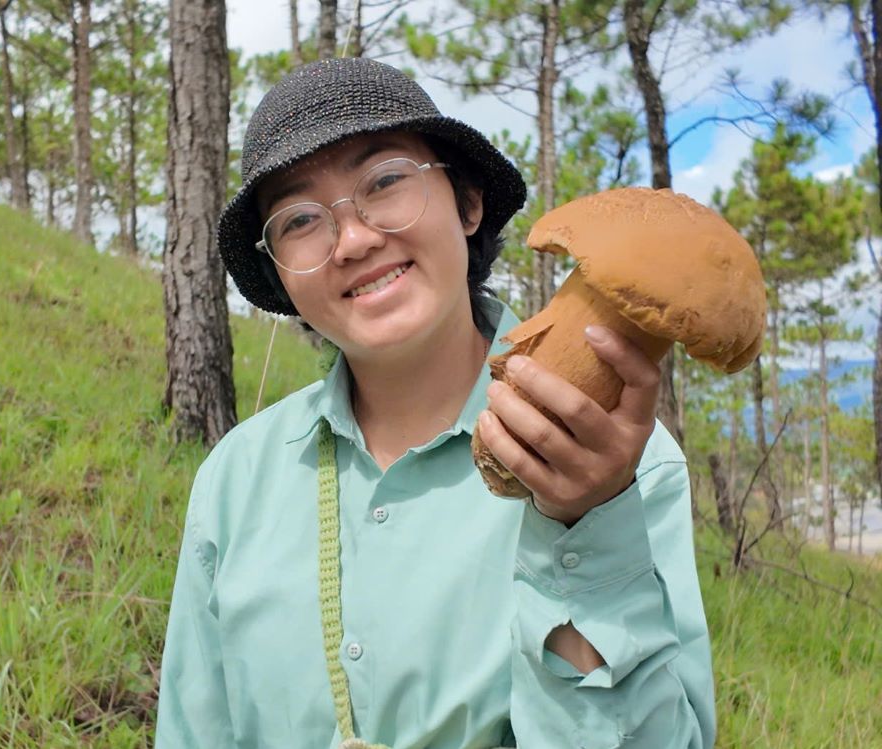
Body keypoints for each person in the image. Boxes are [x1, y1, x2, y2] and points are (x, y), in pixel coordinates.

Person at [155, 57, 715, 749]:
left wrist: (585, 527)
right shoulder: (235, 481)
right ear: (280, 274)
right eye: (300, 219)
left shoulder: (620, 464)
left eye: (386, 180)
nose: (354, 239)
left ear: (468, 201)